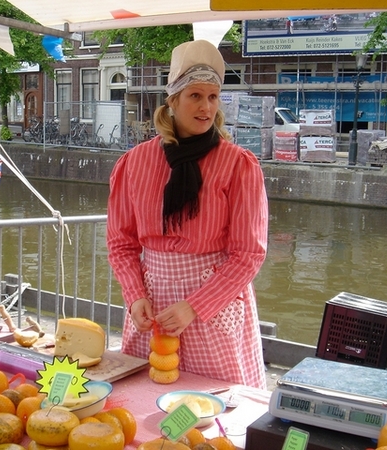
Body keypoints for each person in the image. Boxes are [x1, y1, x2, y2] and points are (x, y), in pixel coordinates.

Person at [106, 40, 269, 388]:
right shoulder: (135, 163)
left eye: (213, 97)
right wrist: (135, 296)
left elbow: (248, 254)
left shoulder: (238, 165)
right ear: (173, 100)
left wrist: (194, 306)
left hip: (212, 305)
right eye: (195, 95)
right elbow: (121, 244)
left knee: (211, 409)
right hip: (152, 303)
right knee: (146, 394)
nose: (206, 107)